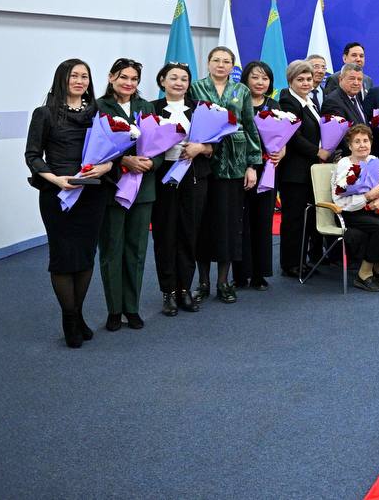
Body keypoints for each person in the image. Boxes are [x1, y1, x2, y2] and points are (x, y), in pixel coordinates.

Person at [26, 59, 114, 347]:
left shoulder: (98, 112)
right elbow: (32, 155)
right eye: (73, 75)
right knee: (64, 258)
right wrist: (56, 179)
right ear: (62, 79)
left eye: (84, 76)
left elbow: (112, 152)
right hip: (58, 194)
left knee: (86, 256)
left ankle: (77, 315)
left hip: (92, 193)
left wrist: (106, 166)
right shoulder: (45, 113)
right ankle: (70, 319)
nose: (79, 81)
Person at [190, 46, 263, 306]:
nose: (221, 65)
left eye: (226, 61)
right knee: (202, 224)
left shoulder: (241, 91)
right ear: (208, 63)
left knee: (228, 225)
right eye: (216, 60)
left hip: (234, 164)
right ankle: (203, 282)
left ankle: (223, 282)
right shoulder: (195, 88)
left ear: (232, 66)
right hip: (202, 164)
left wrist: (252, 165)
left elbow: (250, 127)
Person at [95, 58, 159, 332]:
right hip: (112, 189)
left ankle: (131, 308)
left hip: (142, 189)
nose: (129, 83)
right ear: (111, 77)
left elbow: (160, 145)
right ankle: (114, 310)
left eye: (134, 79)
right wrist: (123, 161)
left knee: (136, 250)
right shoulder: (98, 107)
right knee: (112, 250)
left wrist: (150, 163)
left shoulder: (146, 107)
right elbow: (93, 148)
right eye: (123, 77)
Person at [151, 62, 211, 316]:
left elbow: (216, 144)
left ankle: (184, 288)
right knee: (165, 234)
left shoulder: (201, 109)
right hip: (163, 177)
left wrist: (202, 148)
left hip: (193, 177)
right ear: (162, 81)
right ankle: (168, 291)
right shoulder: (151, 109)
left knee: (189, 233)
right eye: (173, 78)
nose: (179, 83)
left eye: (184, 79)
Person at [331, 124, 379, 292]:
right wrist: (366, 198)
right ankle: (364, 274)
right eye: (357, 141)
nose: (362, 145)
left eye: (365, 141)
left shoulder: (373, 161)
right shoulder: (344, 165)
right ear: (350, 146)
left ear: (371, 143)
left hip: (373, 210)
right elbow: (339, 200)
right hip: (351, 213)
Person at [277, 59, 327, 278]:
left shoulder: (309, 101)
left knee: (305, 219)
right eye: (300, 79)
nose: (306, 83)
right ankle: (290, 264)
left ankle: (301, 260)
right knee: (294, 220)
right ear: (291, 81)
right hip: (294, 172)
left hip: (309, 171)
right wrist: (318, 152)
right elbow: (294, 137)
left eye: (308, 79)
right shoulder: (288, 102)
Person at [234, 60, 281, 292]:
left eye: (265, 78)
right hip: (240, 168)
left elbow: (282, 136)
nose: (260, 82)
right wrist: (246, 165)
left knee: (263, 220)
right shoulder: (237, 103)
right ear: (245, 79)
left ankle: (260, 273)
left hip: (268, 169)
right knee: (241, 221)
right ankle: (241, 274)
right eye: (255, 77)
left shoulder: (274, 105)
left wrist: (281, 151)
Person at [321, 63, 368, 156]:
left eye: (359, 79)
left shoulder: (356, 96)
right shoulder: (333, 101)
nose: (356, 83)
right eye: (352, 78)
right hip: (347, 157)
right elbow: (338, 137)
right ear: (340, 79)